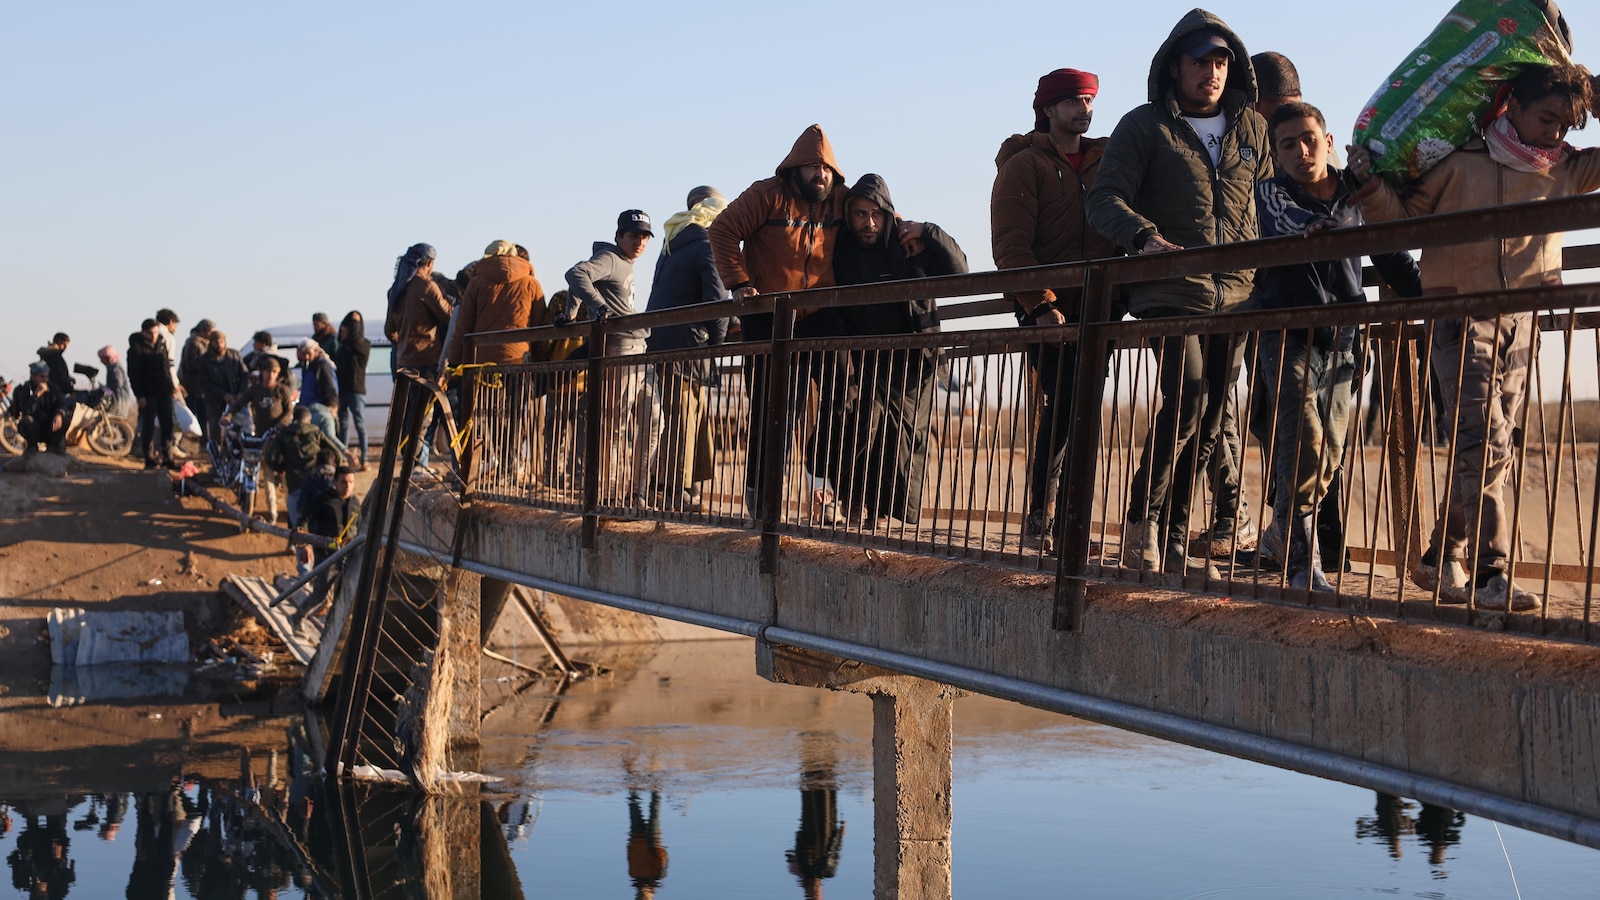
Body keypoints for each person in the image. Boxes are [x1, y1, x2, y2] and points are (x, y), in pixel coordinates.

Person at [1350, 62, 1600, 611]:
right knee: (1483, 439)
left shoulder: (1567, 169)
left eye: (1566, 123)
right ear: (1510, 105)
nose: (1554, 133)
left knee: (1496, 447)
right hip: (1460, 316)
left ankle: (1444, 556)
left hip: (1525, 322)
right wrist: (1370, 187)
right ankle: (1493, 574)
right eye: (1546, 118)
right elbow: (1405, 218)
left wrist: (1595, 99)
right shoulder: (1460, 163)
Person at [1086, 10, 1273, 579]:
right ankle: (1143, 525)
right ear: (1175, 67)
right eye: (1200, 61)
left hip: (1237, 296)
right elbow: (1104, 199)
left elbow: (1270, 206)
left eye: (1221, 62)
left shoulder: (1252, 129)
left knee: (1214, 417)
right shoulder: (1145, 126)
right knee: (1188, 399)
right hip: (1170, 290)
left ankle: (1170, 541)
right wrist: (1144, 238)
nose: (1212, 72)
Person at [1253, 101, 1420, 591]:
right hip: (1287, 331)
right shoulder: (1270, 196)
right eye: (1288, 145)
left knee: (1331, 452)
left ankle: (1283, 530)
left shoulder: (1356, 192)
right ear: (1276, 155)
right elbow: (1287, 230)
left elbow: (1391, 255)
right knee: (1302, 437)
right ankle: (1303, 564)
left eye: (1309, 139)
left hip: (1346, 333)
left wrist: (1433, 301)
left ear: (1328, 142)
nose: (1301, 151)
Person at [991, 67, 1121, 549]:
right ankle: (1042, 518)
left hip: (1098, 305)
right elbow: (1010, 247)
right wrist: (1041, 304)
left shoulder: (1106, 161)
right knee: (1065, 403)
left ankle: (1069, 519)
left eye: (1088, 100)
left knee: (1083, 406)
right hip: (1045, 309)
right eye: (1072, 101)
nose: (1083, 110)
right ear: (1048, 109)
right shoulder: (1025, 165)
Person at [708, 125, 851, 517]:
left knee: (844, 395)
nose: (818, 175)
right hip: (768, 316)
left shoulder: (841, 200)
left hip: (820, 314)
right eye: (810, 167)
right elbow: (721, 230)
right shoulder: (767, 195)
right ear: (794, 169)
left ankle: (820, 482)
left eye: (824, 168)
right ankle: (762, 497)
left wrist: (913, 230)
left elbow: (879, 214)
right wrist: (738, 284)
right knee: (776, 410)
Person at [833, 173, 967, 525]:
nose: (869, 222)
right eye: (860, 214)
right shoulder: (839, 251)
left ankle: (881, 513)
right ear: (849, 215)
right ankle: (852, 501)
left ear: (888, 214)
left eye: (875, 214)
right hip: (862, 360)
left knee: (903, 440)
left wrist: (929, 231)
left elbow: (960, 271)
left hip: (912, 360)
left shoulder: (909, 244)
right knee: (862, 428)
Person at [644, 187, 731, 511]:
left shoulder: (672, 242)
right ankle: (675, 491)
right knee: (684, 417)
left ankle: (684, 488)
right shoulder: (708, 244)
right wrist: (719, 342)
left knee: (687, 414)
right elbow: (716, 299)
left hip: (664, 341)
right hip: (688, 344)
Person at [567, 213, 655, 502]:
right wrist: (598, 307)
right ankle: (608, 495)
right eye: (633, 236)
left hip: (638, 348)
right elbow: (576, 274)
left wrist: (571, 312)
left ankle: (636, 490)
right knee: (615, 425)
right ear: (619, 236)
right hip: (621, 348)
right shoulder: (611, 258)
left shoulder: (622, 263)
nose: (639, 242)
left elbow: (581, 277)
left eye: (644, 237)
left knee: (654, 420)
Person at [448, 239, 548, 479]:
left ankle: (499, 459)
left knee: (489, 413)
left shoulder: (476, 283)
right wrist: (542, 363)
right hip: (518, 360)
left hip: (483, 363)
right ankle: (512, 463)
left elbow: (463, 328)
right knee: (515, 413)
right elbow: (540, 329)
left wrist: (454, 363)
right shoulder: (532, 283)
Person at [385, 242, 454, 466]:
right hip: (427, 360)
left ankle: (409, 464)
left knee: (407, 415)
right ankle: (415, 466)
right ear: (430, 263)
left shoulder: (397, 288)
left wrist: (404, 341)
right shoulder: (426, 286)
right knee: (424, 417)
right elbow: (449, 317)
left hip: (403, 361)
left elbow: (389, 330)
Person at [292, 465, 362, 626]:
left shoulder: (356, 503)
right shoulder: (323, 500)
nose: (347, 486)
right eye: (343, 482)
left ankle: (332, 628)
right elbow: (304, 520)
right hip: (326, 557)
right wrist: (303, 544)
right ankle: (297, 618)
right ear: (334, 481)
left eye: (351, 482)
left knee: (346, 594)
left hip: (349, 557)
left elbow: (361, 527)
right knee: (320, 595)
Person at [227, 356, 294, 523]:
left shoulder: (282, 390)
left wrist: (281, 424)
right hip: (262, 440)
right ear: (262, 372)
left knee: (285, 477)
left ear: (278, 374)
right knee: (267, 476)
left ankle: (291, 512)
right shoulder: (255, 390)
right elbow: (239, 404)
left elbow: (289, 411)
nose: (270, 375)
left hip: (280, 440)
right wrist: (228, 416)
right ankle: (272, 513)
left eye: (274, 372)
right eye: (267, 371)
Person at [264, 405, 345, 529]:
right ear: (308, 420)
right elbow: (337, 454)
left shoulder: (284, 434)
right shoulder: (315, 432)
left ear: (293, 419)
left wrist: (282, 468)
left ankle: (294, 544)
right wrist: (333, 472)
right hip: (316, 484)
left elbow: (270, 457)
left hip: (294, 483)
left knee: (298, 527)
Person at [128, 318, 177, 468]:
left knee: (167, 425)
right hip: (148, 393)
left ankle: (168, 458)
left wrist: (171, 387)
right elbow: (133, 374)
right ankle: (149, 459)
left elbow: (166, 368)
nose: (154, 336)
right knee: (148, 427)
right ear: (144, 333)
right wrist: (140, 395)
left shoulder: (162, 345)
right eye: (150, 333)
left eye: (155, 332)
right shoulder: (135, 349)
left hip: (164, 391)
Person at [295, 338, 347, 455]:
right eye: (304, 354)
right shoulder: (307, 365)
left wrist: (332, 407)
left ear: (315, 351)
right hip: (307, 409)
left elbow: (331, 389)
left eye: (308, 353)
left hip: (321, 410)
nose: (306, 357)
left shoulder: (323, 366)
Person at [198, 329, 248, 449]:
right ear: (211, 343)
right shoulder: (204, 360)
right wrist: (223, 394)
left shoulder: (234, 355)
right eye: (216, 342)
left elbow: (244, 374)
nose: (219, 345)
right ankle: (216, 457)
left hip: (235, 398)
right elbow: (204, 382)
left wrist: (241, 392)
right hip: (214, 400)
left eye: (221, 342)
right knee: (215, 429)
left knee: (236, 427)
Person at [8, 361, 70, 456]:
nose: (44, 380)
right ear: (33, 377)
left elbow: (62, 404)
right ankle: (32, 447)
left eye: (46, 377)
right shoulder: (24, 390)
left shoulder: (53, 389)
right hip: (35, 428)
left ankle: (54, 446)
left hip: (50, 427)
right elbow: (26, 411)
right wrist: (36, 396)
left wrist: (59, 414)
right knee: (26, 421)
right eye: (41, 377)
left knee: (66, 415)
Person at [334, 311, 372, 468]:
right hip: (342, 391)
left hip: (356, 391)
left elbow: (356, 339)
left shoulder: (363, 345)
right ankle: (344, 456)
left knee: (360, 425)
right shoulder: (341, 349)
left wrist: (354, 322)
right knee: (343, 427)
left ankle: (365, 458)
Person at [98, 345, 136, 419]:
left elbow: (117, 383)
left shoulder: (115, 367)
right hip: (117, 400)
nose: (101, 361)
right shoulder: (112, 366)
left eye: (102, 358)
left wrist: (105, 389)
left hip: (118, 401)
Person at [36, 333, 73, 397]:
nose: (65, 348)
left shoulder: (46, 356)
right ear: (58, 342)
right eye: (64, 344)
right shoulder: (55, 357)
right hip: (55, 393)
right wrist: (70, 390)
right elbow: (59, 376)